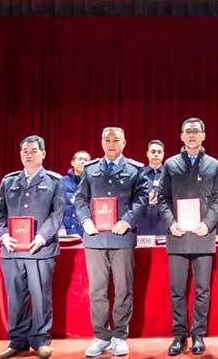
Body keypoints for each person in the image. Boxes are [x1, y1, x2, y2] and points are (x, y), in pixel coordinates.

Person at [75, 127, 148, 357]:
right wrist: (85, 220)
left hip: (122, 237)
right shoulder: (90, 169)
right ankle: (100, 336)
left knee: (123, 289)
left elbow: (142, 198)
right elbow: (80, 198)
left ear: (124, 142)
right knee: (97, 290)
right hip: (95, 237)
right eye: (107, 139)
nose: (111, 143)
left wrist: (127, 221)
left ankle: (119, 336)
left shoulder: (135, 169)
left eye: (116, 140)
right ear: (101, 142)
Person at [0, 135, 65, 359]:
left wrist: (43, 236)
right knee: (15, 297)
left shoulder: (54, 181)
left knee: (41, 297)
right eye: (24, 151)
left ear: (43, 154)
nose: (28, 154)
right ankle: (18, 342)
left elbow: (57, 213)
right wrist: (3, 235)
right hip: (12, 250)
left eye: (33, 150)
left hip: (40, 249)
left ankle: (41, 341)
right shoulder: (8, 181)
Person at [157, 118, 218, 356]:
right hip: (177, 235)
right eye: (188, 131)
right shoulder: (171, 164)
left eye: (196, 131)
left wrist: (208, 224)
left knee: (202, 290)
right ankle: (179, 335)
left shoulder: (214, 165)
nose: (193, 135)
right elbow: (163, 197)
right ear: (181, 136)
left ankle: (198, 334)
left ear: (204, 135)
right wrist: (171, 222)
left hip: (203, 235)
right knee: (177, 289)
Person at [136, 140, 166, 235]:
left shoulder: (169, 174)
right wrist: (145, 200)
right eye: (153, 152)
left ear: (163, 154)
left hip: (163, 222)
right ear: (147, 154)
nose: (156, 154)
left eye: (159, 152)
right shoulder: (139, 174)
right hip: (143, 222)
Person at [60, 150, 91, 236]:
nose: (83, 162)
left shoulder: (93, 183)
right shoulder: (61, 182)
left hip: (87, 233)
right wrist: (60, 226)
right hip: (65, 232)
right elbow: (55, 208)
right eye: (80, 159)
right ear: (72, 163)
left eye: (86, 160)